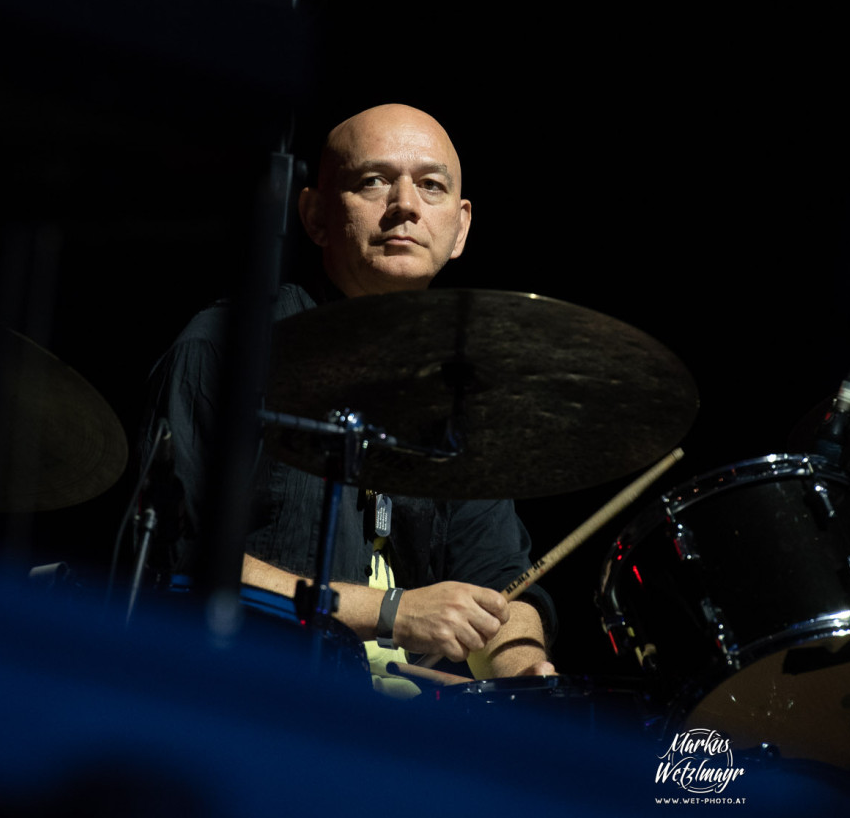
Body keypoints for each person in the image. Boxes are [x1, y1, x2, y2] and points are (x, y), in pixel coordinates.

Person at [140, 103, 555, 686]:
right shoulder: (226, 350)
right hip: (245, 694)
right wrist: (390, 613)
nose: (405, 205)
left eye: (431, 186)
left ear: (460, 228)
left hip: (403, 737)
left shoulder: (459, 394)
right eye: (374, 181)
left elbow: (499, 587)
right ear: (314, 215)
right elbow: (168, 558)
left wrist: (522, 677)